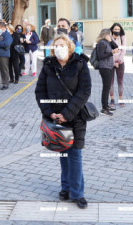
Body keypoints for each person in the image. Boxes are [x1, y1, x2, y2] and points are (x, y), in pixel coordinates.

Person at [35, 34, 91, 209]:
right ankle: (65, 188)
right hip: (55, 119)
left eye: (62, 44)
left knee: (74, 155)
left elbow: (84, 91)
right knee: (63, 154)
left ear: (69, 46)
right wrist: (49, 113)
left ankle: (77, 193)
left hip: (75, 118)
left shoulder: (80, 64)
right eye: (56, 45)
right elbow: (40, 91)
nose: (59, 48)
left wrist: (67, 114)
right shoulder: (48, 66)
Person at [96, 29, 119, 116]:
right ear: (105, 34)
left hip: (109, 66)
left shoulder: (108, 42)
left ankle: (106, 106)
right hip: (104, 67)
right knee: (106, 88)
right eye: (109, 34)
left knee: (108, 87)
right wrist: (111, 53)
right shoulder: (101, 43)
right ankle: (104, 108)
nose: (110, 36)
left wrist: (111, 41)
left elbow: (116, 47)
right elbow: (101, 56)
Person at [109, 23, 126, 108]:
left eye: (118, 29)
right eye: (115, 29)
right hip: (110, 63)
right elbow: (108, 51)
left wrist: (119, 61)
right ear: (112, 29)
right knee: (110, 82)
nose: (116, 31)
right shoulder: (108, 38)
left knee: (120, 81)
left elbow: (123, 50)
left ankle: (120, 99)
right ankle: (112, 99)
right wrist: (113, 62)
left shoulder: (122, 37)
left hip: (120, 62)